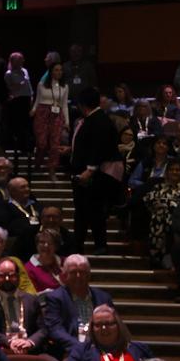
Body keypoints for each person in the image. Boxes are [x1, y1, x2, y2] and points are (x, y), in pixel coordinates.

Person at [69, 86, 122, 255]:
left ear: (82, 104)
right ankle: (80, 244)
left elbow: (99, 148)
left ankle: (99, 244)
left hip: (94, 175)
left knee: (93, 210)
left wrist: (90, 170)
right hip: (86, 172)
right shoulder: (95, 119)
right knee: (85, 211)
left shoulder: (98, 120)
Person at [41, 254, 115, 359]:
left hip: (101, 350)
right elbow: (55, 329)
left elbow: (114, 325)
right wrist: (81, 348)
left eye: (82, 272)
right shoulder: (55, 298)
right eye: (73, 272)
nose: (78, 276)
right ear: (65, 275)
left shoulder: (103, 298)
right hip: (70, 352)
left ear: (89, 275)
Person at [0, 258, 45, 354]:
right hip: (0, 350)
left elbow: (43, 328)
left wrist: (30, 342)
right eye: (2, 276)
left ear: (18, 277)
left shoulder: (31, 300)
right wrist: (8, 342)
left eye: (11, 275)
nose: (7, 279)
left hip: (29, 349)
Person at [33, 61, 70, 181]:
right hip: (42, 113)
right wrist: (33, 110)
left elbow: (64, 105)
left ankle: (52, 170)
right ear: (51, 71)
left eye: (60, 70)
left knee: (55, 144)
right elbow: (37, 100)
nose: (59, 72)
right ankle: (38, 162)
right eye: (56, 70)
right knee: (42, 142)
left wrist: (67, 122)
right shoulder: (41, 84)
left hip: (57, 114)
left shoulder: (64, 87)